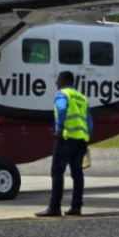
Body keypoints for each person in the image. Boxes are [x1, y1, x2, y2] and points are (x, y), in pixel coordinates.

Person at [36, 71, 92, 218]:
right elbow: (89, 122)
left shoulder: (62, 94)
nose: (56, 83)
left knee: (57, 172)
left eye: (58, 80)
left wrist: (59, 129)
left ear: (63, 80)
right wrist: (87, 139)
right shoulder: (82, 98)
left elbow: (61, 109)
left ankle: (54, 207)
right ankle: (76, 207)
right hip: (81, 141)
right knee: (77, 174)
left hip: (66, 139)